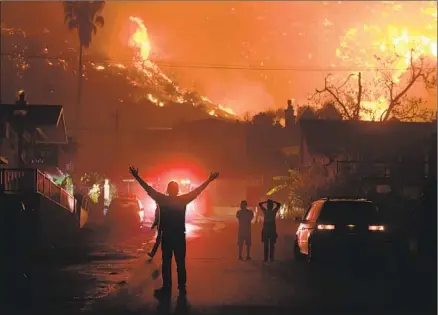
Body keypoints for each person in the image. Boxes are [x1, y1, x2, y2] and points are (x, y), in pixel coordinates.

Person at [129, 166, 219, 298]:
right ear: (177, 191)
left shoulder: (163, 200)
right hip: (179, 236)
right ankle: (182, 289)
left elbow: (148, 189)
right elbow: (197, 191)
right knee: (180, 263)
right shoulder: (183, 200)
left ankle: (167, 288)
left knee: (167, 263)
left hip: (167, 236)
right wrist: (209, 180)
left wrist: (136, 176)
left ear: (168, 190)